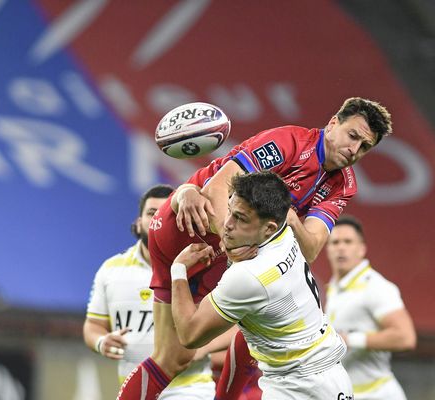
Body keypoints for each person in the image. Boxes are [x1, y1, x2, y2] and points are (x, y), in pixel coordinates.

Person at [117, 97, 393, 400]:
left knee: (181, 356)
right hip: (188, 227)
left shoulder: (343, 184)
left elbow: (311, 248)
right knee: (194, 345)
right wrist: (231, 246)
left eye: (364, 147)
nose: (354, 150)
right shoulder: (289, 142)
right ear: (333, 124)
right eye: (352, 136)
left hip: (223, 242)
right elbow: (216, 190)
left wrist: (288, 219)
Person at [171, 171, 353, 399]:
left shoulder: (248, 276)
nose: (226, 224)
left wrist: (178, 270)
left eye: (241, 218)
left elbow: (190, 335)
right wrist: (186, 191)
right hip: (329, 376)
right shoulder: (285, 233)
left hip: (299, 388)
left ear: (268, 227)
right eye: (230, 210)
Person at [84, 184, 216, 399]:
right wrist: (102, 342)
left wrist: (197, 347)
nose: (158, 220)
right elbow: (93, 325)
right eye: (152, 213)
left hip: (189, 388)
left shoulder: (202, 263)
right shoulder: (111, 269)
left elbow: (236, 323)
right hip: (138, 388)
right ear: (138, 223)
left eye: (165, 214)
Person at [325, 215, 416, 399]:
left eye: (348, 242)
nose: (341, 247)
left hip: (378, 393)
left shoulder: (376, 287)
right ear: (327, 249)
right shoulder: (334, 287)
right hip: (349, 394)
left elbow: (405, 338)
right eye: (335, 242)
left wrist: (350, 340)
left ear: (361, 249)